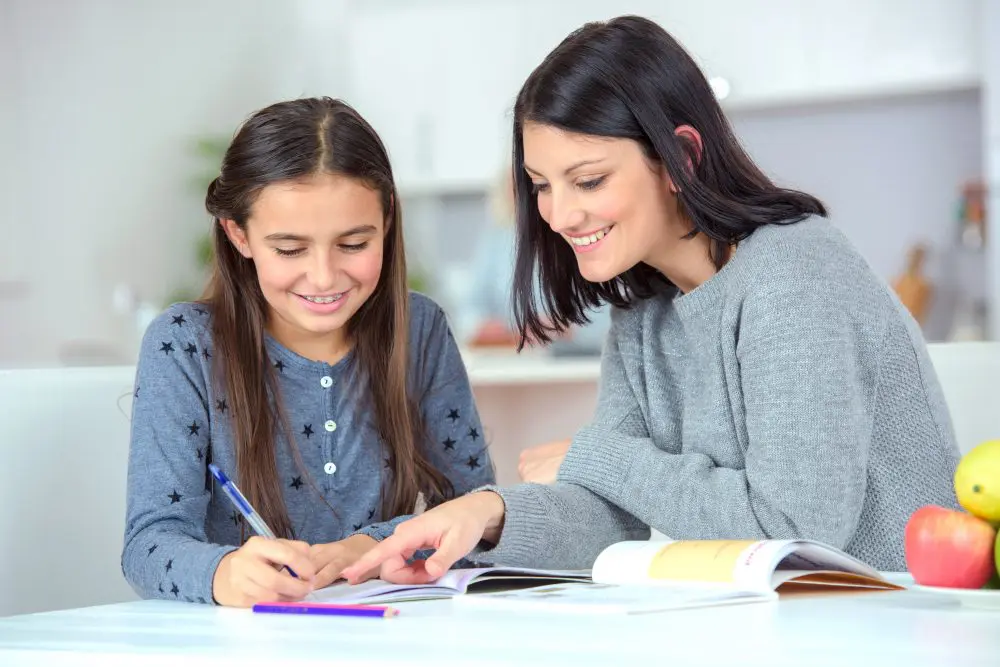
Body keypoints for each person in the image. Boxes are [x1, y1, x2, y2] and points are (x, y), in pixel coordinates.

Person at [343, 15, 960, 584]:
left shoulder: (792, 274)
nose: (559, 213)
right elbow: (611, 515)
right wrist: (486, 514)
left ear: (679, 157)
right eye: (540, 186)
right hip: (782, 618)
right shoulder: (644, 312)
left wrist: (599, 456)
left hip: (889, 614)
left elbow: (794, 529)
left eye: (588, 180)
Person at [121, 97, 495, 607]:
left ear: (386, 220)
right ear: (239, 235)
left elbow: (479, 515)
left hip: (384, 631)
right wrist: (224, 572)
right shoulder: (185, 345)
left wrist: (366, 545)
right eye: (290, 249)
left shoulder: (420, 328)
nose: (323, 277)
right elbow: (148, 544)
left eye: (354, 244)